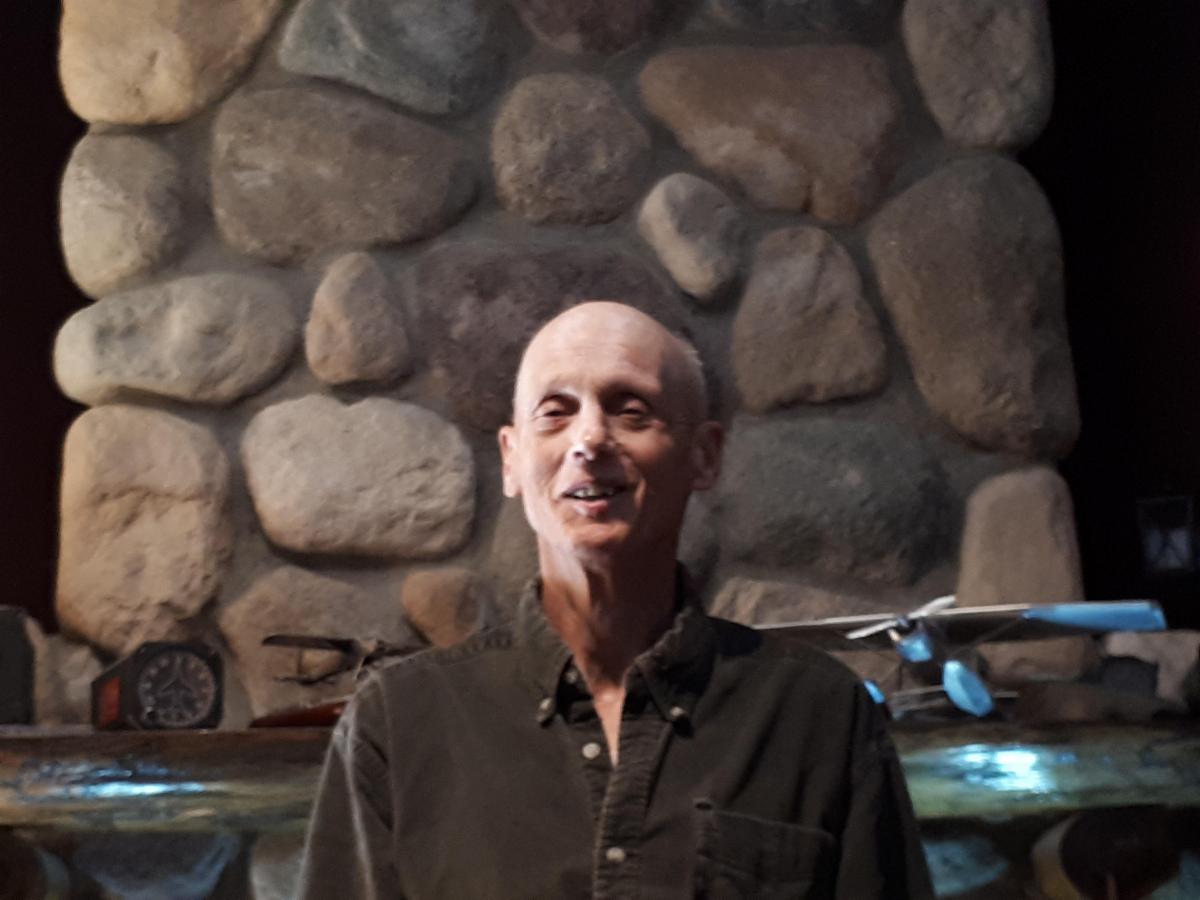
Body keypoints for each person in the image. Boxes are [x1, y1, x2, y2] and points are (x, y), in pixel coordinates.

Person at [299, 301, 933, 899]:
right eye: (555, 412)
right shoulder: (399, 725)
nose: (590, 439)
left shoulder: (820, 716)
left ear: (704, 456)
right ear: (512, 460)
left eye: (632, 411)